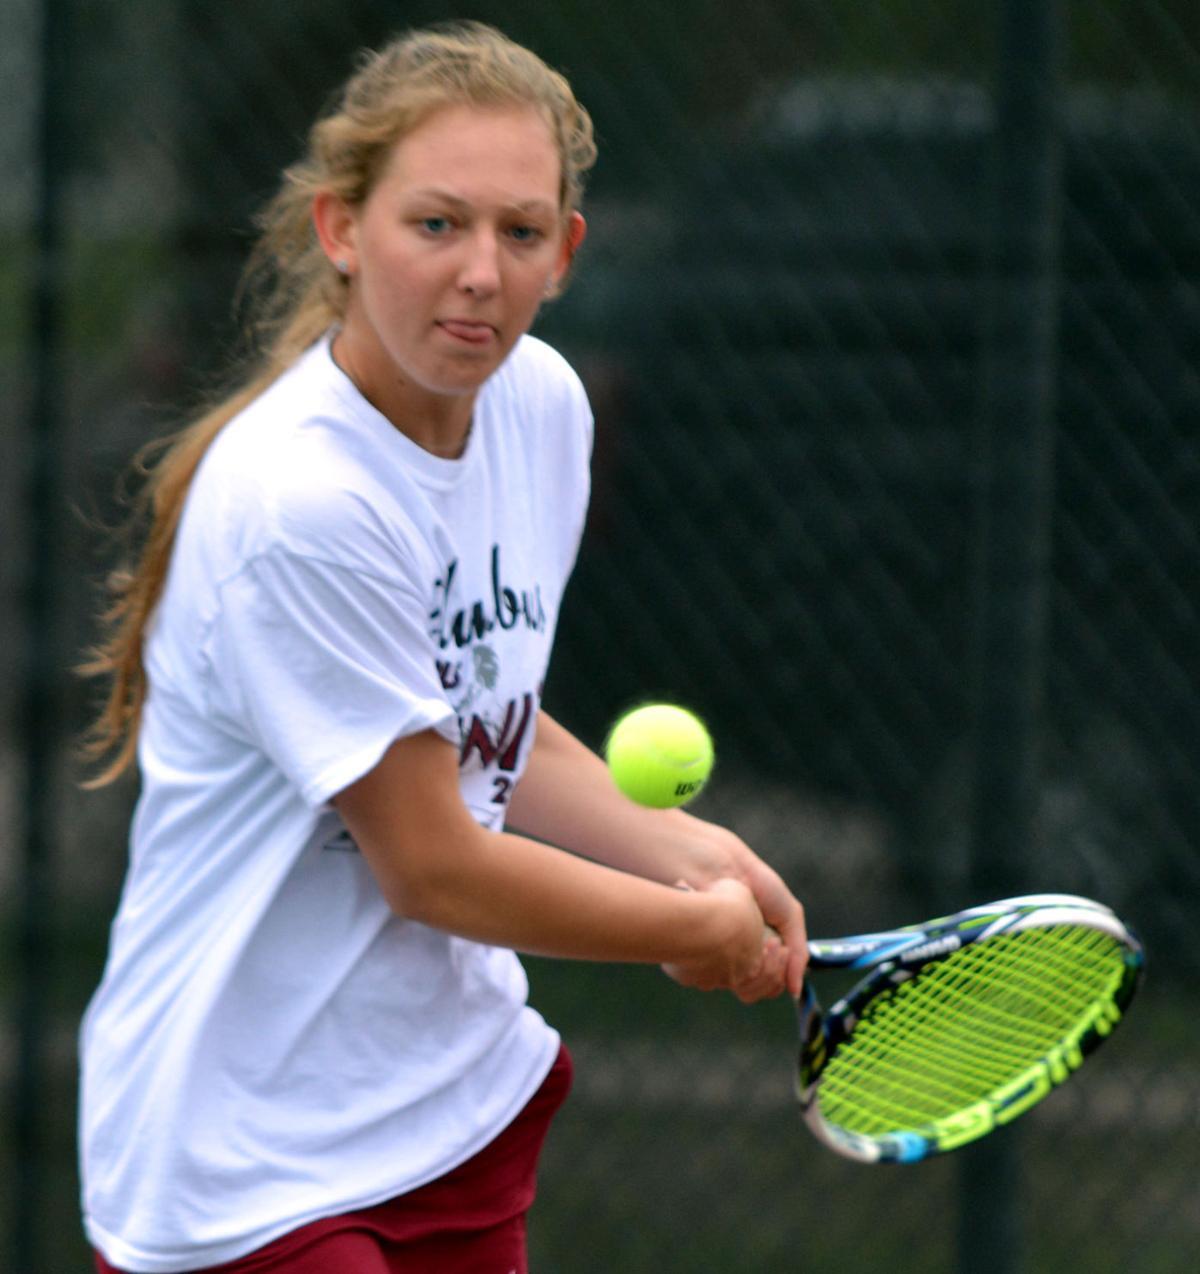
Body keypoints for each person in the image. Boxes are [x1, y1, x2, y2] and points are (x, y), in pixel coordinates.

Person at [78, 21, 808, 1274]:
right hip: (244, 1168)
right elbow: (432, 862)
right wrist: (686, 927)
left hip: (443, 1113)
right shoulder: (304, 501)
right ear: (342, 230)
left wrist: (686, 848)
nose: (479, 270)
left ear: (566, 252)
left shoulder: (543, 409)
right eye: (436, 223)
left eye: (520, 231)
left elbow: (477, 716)